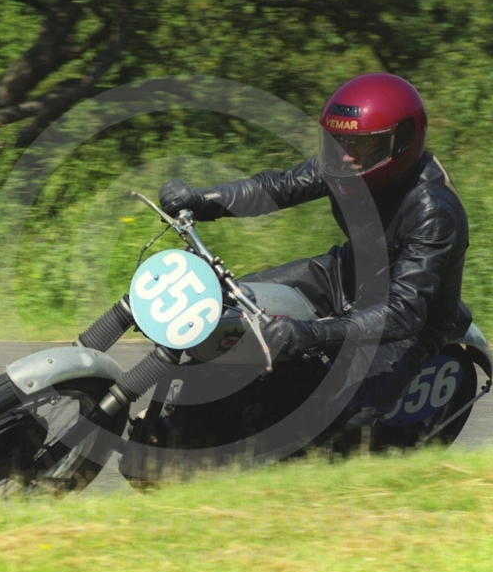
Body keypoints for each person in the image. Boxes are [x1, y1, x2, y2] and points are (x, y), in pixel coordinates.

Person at [158, 72, 470, 443]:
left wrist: (310, 334)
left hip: (408, 322)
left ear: (400, 143)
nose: (346, 155)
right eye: (339, 141)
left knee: (341, 425)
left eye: (363, 145)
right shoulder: (346, 165)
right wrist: (202, 200)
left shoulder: (432, 209)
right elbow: (275, 187)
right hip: (343, 275)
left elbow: (404, 312)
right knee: (229, 308)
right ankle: (197, 410)